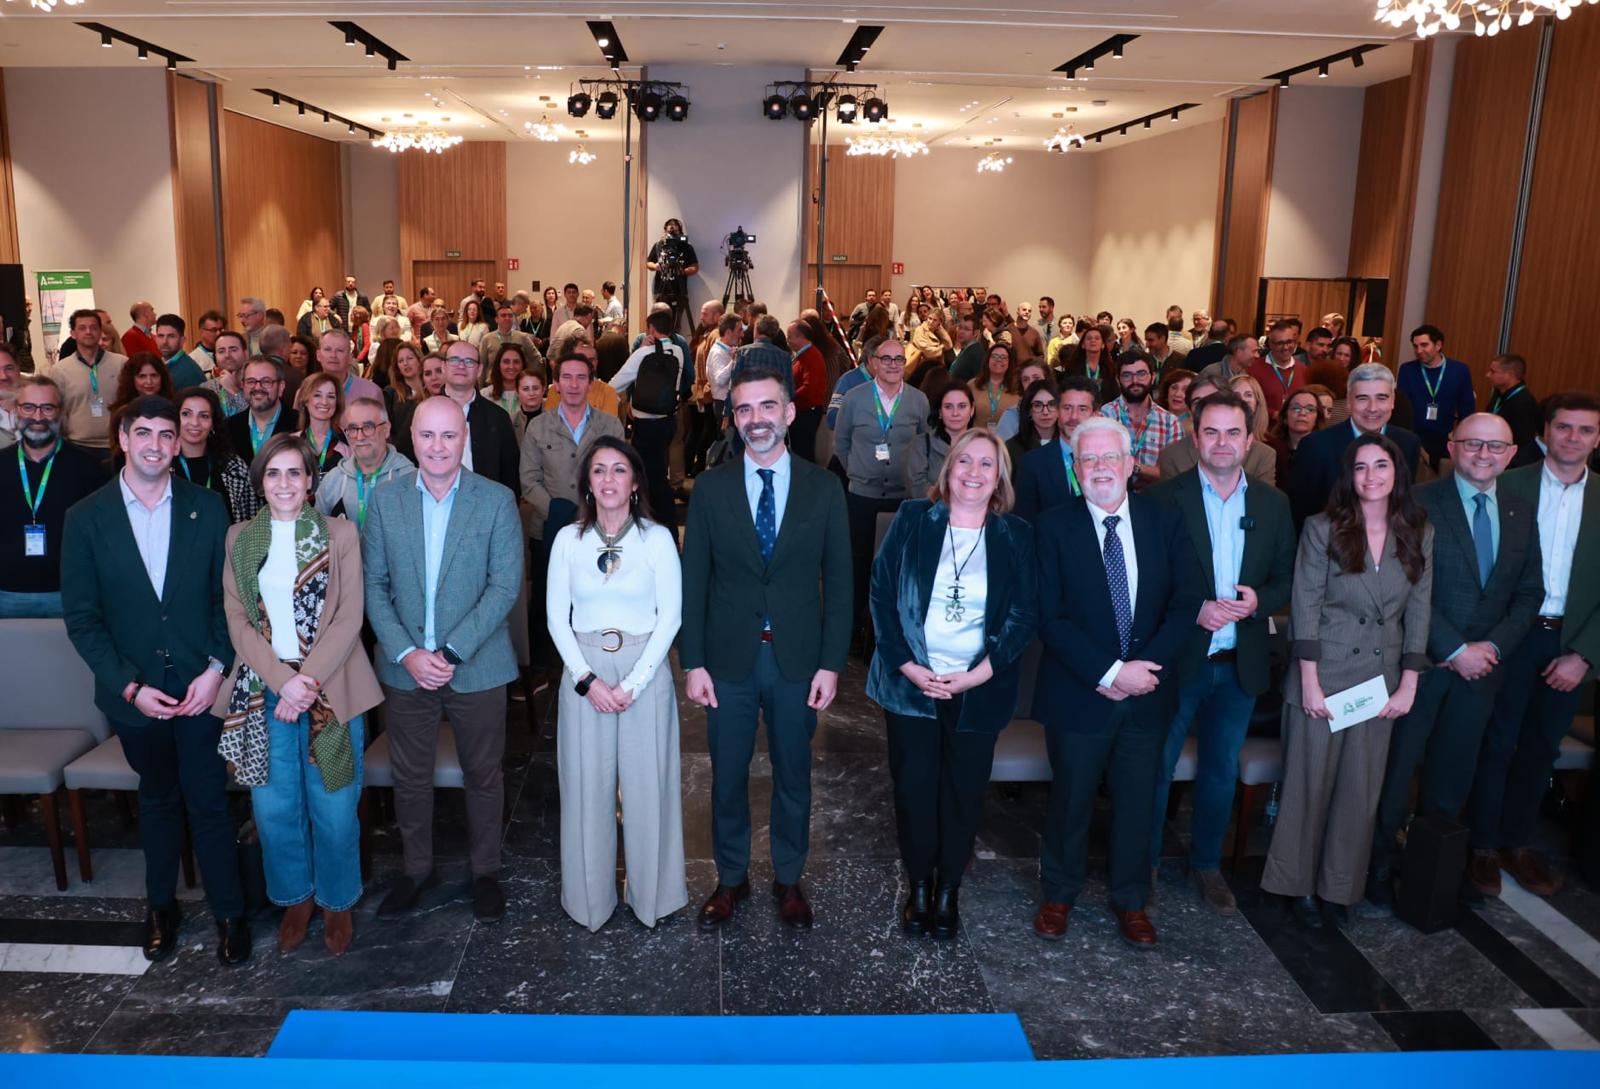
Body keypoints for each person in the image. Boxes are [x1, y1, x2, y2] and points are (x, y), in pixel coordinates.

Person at [61, 396, 249, 965]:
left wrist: (217, 670)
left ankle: (230, 913)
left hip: (200, 687)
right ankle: (161, 907)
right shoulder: (85, 518)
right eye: (144, 433)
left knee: (209, 801)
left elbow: (228, 600)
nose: (156, 445)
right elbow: (83, 620)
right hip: (135, 694)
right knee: (159, 800)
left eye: (168, 435)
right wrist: (128, 688)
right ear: (122, 437)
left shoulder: (208, 507)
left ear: (178, 442)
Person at [680, 359, 852, 930]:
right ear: (733, 417)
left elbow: (841, 584)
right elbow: (694, 582)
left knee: (793, 776)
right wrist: (694, 662)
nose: (756, 419)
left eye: (767, 406)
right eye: (745, 408)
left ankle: (788, 877)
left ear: (790, 411)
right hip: (728, 660)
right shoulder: (709, 489)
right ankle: (731, 879)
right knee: (726, 776)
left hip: (798, 662)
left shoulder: (826, 489)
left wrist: (831, 665)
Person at [1031, 417, 1201, 947]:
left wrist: (1140, 670)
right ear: (1075, 470)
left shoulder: (1164, 520)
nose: (1100, 468)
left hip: (1148, 691)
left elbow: (1186, 601)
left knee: (1138, 801)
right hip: (1080, 692)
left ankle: (1132, 899)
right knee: (1071, 799)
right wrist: (1108, 672)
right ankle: (1059, 892)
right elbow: (1049, 615)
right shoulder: (1052, 527)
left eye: (1110, 458)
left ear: (1131, 466)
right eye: (1089, 460)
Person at [1365, 413, 1544, 910]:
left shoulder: (1521, 509)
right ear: (1451, 447)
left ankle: (1429, 873)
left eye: (1495, 446)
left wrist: (1491, 649)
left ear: (1512, 454)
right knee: (1395, 773)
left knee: (1451, 779)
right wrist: (1456, 649)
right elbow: (1400, 585)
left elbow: (1530, 593)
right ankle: (1377, 867)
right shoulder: (1418, 502)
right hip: (1419, 666)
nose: (1483, 454)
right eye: (1472, 444)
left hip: (1483, 673)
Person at [215, 433, 380, 956]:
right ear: (261, 482)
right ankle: (295, 898)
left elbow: (350, 618)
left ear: (311, 481)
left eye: (294, 473)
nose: (283, 483)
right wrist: (282, 682)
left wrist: (304, 684)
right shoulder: (240, 538)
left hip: (330, 688)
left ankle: (336, 901)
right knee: (274, 809)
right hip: (263, 692)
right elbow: (237, 621)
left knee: (334, 806)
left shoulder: (340, 534)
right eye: (273, 474)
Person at [869, 428, 1037, 938]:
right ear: (949, 469)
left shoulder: (1016, 535)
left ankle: (948, 893)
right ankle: (919, 887)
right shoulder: (914, 519)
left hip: (979, 688)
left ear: (1000, 478)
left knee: (963, 793)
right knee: (915, 790)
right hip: (910, 686)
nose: (973, 473)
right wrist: (908, 666)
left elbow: (1023, 617)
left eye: (987, 465)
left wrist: (976, 676)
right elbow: (880, 594)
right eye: (965, 462)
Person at [1261, 434, 1433, 928]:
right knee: (1308, 786)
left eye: (1381, 466)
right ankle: (1294, 884)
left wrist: (1409, 685)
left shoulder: (1419, 531)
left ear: (1398, 472)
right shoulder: (1322, 529)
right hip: (1325, 675)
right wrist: (1309, 683)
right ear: (1348, 476)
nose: (1371, 476)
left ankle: (1339, 887)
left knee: (1360, 791)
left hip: (1381, 681)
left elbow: (1419, 612)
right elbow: (1306, 607)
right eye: (1361, 467)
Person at [364, 396, 523, 923]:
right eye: (428, 436)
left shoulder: (496, 500)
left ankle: (485, 873)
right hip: (406, 667)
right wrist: (408, 653)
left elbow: (504, 587)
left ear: (465, 440)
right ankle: (416, 870)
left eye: (449, 436)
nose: (437, 447)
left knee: (485, 775)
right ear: (411, 438)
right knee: (410, 777)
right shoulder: (386, 501)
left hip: (476, 664)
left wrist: (451, 651)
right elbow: (374, 584)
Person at [1148, 391, 1296, 914]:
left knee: (1219, 771)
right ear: (1194, 435)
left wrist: (1262, 601)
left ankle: (1206, 865)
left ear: (1250, 440)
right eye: (1211, 432)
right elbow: (1150, 583)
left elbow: (1286, 577)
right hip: (1180, 660)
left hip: (1239, 664)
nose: (1222, 443)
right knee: (1156, 766)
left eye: (1233, 433)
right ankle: (1141, 867)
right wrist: (1194, 610)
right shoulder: (1165, 500)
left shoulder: (1273, 505)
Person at [545, 437, 686, 931]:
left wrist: (634, 682)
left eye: (619, 470)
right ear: (587, 481)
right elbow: (555, 619)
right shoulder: (568, 540)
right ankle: (589, 902)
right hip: (584, 670)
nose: (608, 479)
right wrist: (586, 681)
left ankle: (654, 899)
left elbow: (670, 617)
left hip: (643, 670)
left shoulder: (656, 539)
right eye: (599, 470)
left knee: (650, 789)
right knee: (585, 789)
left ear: (634, 482)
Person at [1467, 393, 1600, 896]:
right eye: (1564, 427)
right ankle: (1480, 844)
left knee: (1541, 747)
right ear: (1546, 431)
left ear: (1597, 438)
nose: (1573, 438)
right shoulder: (1507, 484)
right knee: (1495, 740)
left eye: (1585, 430)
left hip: (1571, 645)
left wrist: (1584, 655)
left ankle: (1516, 843)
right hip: (1510, 636)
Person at [521, 352, 626, 685]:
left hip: (598, 529)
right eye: (567, 377)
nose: (574, 385)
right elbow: (528, 479)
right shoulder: (538, 426)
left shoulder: (609, 426)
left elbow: (620, 474)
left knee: (594, 594)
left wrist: (592, 511)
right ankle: (546, 667)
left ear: (591, 384)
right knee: (546, 599)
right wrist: (555, 510)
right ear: (556, 383)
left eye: (581, 377)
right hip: (548, 529)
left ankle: (595, 657)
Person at [834, 335, 929, 645]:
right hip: (862, 495)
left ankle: (886, 632)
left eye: (898, 359)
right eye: (886, 359)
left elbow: (925, 442)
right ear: (873, 362)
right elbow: (842, 442)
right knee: (858, 563)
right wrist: (857, 471)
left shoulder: (918, 400)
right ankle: (852, 630)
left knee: (895, 566)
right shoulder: (855, 398)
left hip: (902, 497)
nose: (892, 365)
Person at [0, 375, 107, 617]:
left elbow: (101, 539)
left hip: (66, 595)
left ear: (60, 412)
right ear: (16, 411)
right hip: (5, 595)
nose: (37, 417)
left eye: (47, 408)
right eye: (28, 407)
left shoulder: (89, 469)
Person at [1288, 363, 1424, 531]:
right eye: (1362, 398)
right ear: (1348, 402)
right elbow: (1300, 512)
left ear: (1393, 402)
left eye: (1381, 398)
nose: (1372, 408)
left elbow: (1404, 504)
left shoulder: (1408, 443)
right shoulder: (1315, 446)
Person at [609, 310, 685, 529]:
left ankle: (654, 526)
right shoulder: (678, 351)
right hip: (668, 420)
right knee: (659, 473)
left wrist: (642, 350)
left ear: (651, 329)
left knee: (648, 478)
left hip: (646, 424)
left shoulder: (643, 355)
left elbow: (615, 384)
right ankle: (666, 527)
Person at [315, 396, 415, 527]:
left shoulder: (409, 479)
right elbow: (316, 535)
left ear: (386, 430)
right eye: (352, 428)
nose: (360, 436)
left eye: (368, 427)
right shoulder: (333, 480)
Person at [1014, 375, 1099, 523]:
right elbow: (1023, 525)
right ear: (1058, 411)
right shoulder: (1032, 464)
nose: (1073, 416)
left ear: (1095, 414)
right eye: (1067, 408)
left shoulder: (1112, 461)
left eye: (1082, 409)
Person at [1397, 324, 1475, 469]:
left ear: (1438, 345)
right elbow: (1402, 407)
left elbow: (1467, 408)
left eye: (1424, 345)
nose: (1419, 351)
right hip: (1414, 438)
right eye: (1416, 346)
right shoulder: (1407, 370)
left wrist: (1461, 438)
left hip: (1445, 439)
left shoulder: (1459, 371)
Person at [1100, 352, 1182, 489]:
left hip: (1156, 502)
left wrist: (1133, 466)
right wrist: (1151, 473)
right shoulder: (1104, 416)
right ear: (1117, 380)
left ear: (1153, 377)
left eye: (1141, 374)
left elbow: (1172, 473)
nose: (1135, 381)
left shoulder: (1170, 422)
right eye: (1127, 375)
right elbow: (1101, 466)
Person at [174, 387, 256, 523]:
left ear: (213, 423)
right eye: (186, 414)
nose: (195, 422)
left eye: (204, 416)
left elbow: (251, 520)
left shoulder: (233, 466)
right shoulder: (162, 464)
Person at [48, 309, 127, 450]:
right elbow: (56, 412)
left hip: (116, 445)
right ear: (73, 333)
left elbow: (129, 403)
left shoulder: (121, 364)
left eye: (93, 327)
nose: (88, 332)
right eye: (82, 328)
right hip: (76, 446)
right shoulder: (59, 371)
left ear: (100, 331)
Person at [906, 383, 974, 501]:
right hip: (931, 515)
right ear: (940, 412)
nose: (955, 413)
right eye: (948, 407)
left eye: (962, 406)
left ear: (972, 410)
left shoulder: (983, 447)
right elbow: (917, 488)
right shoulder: (921, 444)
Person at [226, 357, 296, 461]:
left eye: (266, 381)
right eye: (251, 381)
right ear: (242, 386)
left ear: (281, 387)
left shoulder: (299, 424)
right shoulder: (228, 428)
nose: (258, 387)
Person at [1485, 353, 1542, 468]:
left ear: (1509, 375)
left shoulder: (1524, 402)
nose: (1488, 375)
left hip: (1509, 465)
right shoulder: (1499, 394)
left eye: (1493, 372)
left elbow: (1523, 442)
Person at [1247, 320, 1307, 424]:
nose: (1286, 347)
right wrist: (1273, 414)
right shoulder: (1254, 370)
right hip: (1264, 434)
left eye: (1289, 342)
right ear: (1270, 344)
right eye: (1280, 343)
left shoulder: (1303, 370)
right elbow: (1248, 404)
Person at [787, 318, 829, 463]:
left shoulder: (811, 357)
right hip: (802, 411)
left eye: (790, 337)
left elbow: (808, 388)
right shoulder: (803, 356)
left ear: (801, 337)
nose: (788, 341)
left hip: (806, 413)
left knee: (803, 454)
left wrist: (787, 396)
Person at [647, 219, 700, 333]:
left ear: (680, 230)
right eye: (670, 225)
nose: (672, 227)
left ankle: (675, 346)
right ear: (665, 228)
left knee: (676, 324)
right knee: (658, 321)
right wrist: (656, 266)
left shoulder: (686, 246)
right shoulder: (659, 245)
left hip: (679, 291)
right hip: (661, 290)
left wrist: (682, 271)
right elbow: (648, 263)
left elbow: (695, 267)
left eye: (675, 225)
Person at [1269, 387, 1326, 485]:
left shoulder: (1326, 452)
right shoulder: (1271, 450)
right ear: (1285, 417)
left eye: (1310, 409)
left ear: (1317, 419)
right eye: (1296, 408)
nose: (1302, 413)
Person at [1006, 379, 1058, 468]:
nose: (1045, 412)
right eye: (1038, 405)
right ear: (1029, 411)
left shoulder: (1069, 442)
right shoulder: (1012, 447)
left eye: (1052, 404)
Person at [969, 343, 1017, 431]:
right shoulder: (973, 385)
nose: (999, 360)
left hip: (1007, 442)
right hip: (977, 439)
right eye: (995, 356)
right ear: (988, 360)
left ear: (1009, 363)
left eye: (1003, 357)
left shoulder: (1017, 388)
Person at [153, 314, 205, 391]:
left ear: (182, 340)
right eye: (161, 336)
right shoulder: (161, 364)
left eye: (171, 336)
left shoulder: (190, 372)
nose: (164, 342)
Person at [204, 331, 249, 418]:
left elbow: (258, 418)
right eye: (221, 351)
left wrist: (234, 391)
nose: (227, 355)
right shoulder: (207, 388)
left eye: (233, 350)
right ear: (215, 356)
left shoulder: (257, 383)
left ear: (245, 354)